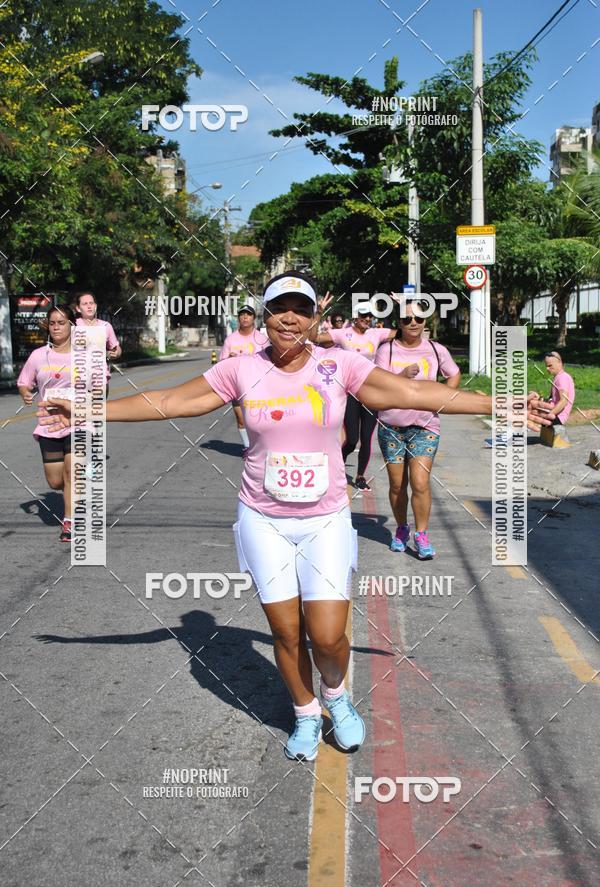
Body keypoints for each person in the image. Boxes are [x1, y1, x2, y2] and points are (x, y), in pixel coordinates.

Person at [39, 271, 554, 762]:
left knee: (327, 635)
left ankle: (336, 693)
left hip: (326, 518)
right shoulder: (240, 368)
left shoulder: (339, 365)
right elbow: (171, 400)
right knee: (286, 634)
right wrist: (88, 409)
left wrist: (502, 401)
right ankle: (305, 714)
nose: (289, 317)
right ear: (264, 315)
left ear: (313, 317)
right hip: (263, 520)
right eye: (279, 308)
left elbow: (416, 393)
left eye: (300, 309)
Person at [375, 300, 461, 559]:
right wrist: (400, 375)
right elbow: (376, 383)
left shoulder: (436, 349)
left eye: (419, 318)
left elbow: (453, 374)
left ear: (426, 321)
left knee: (420, 482)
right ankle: (402, 528)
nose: (413, 322)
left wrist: (445, 396)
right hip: (391, 426)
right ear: (398, 323)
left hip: (425, 426)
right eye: (406, 318)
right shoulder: (387, 349)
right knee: (397, 484)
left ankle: (422, 534)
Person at [315, 305, 396, 491]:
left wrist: (403, 304)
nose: (367, 319)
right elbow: (314, 338)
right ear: (355, 317)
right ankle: (338, 465)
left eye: (370, 316)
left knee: (366, 437)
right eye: (363, 316)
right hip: (350, 393)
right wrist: (319, 313)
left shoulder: (376, 333)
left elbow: (403, 331)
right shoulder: (343, 334)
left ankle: (360, 476)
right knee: (351, 439)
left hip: (371, 392)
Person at [18, 304, 76, 543]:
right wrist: (25, 393)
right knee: (55, 481)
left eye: (61, 322)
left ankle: (69, 523)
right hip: (49, 424)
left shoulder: (84, 355)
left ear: (72, 325)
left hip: (78, 421)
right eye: (52, 323)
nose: (56, 327)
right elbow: (24, 381)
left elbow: (100, 383)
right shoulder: (39, 355)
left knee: (73, 472)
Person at [220, 304, 270, 451]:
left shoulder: (262, 339)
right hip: (236, 386)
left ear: (254, 318)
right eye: (242, 314)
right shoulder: (230, 340)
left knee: (259, 419)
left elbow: (269, 362)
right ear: (238, 318)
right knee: (241, 419)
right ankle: (248, 448)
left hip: (258, 385)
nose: (245, 317)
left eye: (248, 314)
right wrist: (228, 359)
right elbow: (221, 364)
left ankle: (263, 445)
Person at [73, 292, 121, 397]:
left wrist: (116, 353)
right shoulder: (72, 325)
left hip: (100, 378)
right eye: (85, 304)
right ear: (78, 308)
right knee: (80, 412)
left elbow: (116, 348)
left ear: (96, 306)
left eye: (92, 303)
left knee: (97, 412)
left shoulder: (106, 326)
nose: (89, 306)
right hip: (77, 379)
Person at [544, 351, 575, 426]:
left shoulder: (562, 378)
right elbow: (553, 399)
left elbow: (564, 401)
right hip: (555, 412)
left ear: (559, 363)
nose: (547, 369)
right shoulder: (558, 377)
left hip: (558, 416)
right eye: (546, 366)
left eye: (550, 365)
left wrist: (550, 414)